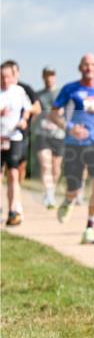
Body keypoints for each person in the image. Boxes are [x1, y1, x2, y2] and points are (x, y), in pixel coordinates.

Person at [50, 53, 94, 245]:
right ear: (80, 68)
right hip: (74, 145)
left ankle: (90, 228)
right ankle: (69, 200)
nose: (89, 68)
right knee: (74, 188)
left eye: (93, 64)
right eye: (86, 64)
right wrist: (70, 128)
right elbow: (54, 114)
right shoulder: (70, 89)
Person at [1, 61, 33, 225]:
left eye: (7, 77)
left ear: (12, 77)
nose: (5, 80)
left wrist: (24, 120)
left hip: (14, 137)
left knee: (13, 173)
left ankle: (13, 210)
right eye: (2, 77)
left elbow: (28, 108)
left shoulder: (19, 91)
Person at [2, 60, 42, 184]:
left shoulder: (24, 89)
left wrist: (25, 115)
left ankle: (17, 189)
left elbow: (37, 108)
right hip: (3, 133)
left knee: (18, 166)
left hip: (20, 133)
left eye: (14, 73)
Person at [36, 66, 65, 209]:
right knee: (44, 163)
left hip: (58, 134)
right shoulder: (38, 95)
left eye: (51, 75)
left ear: (55, 77)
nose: (49, 78)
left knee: (56, 167)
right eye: (47, 75)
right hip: (42, 133)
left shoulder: (61, 93)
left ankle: (51, 190)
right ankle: (48, 193)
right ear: (43, 77)